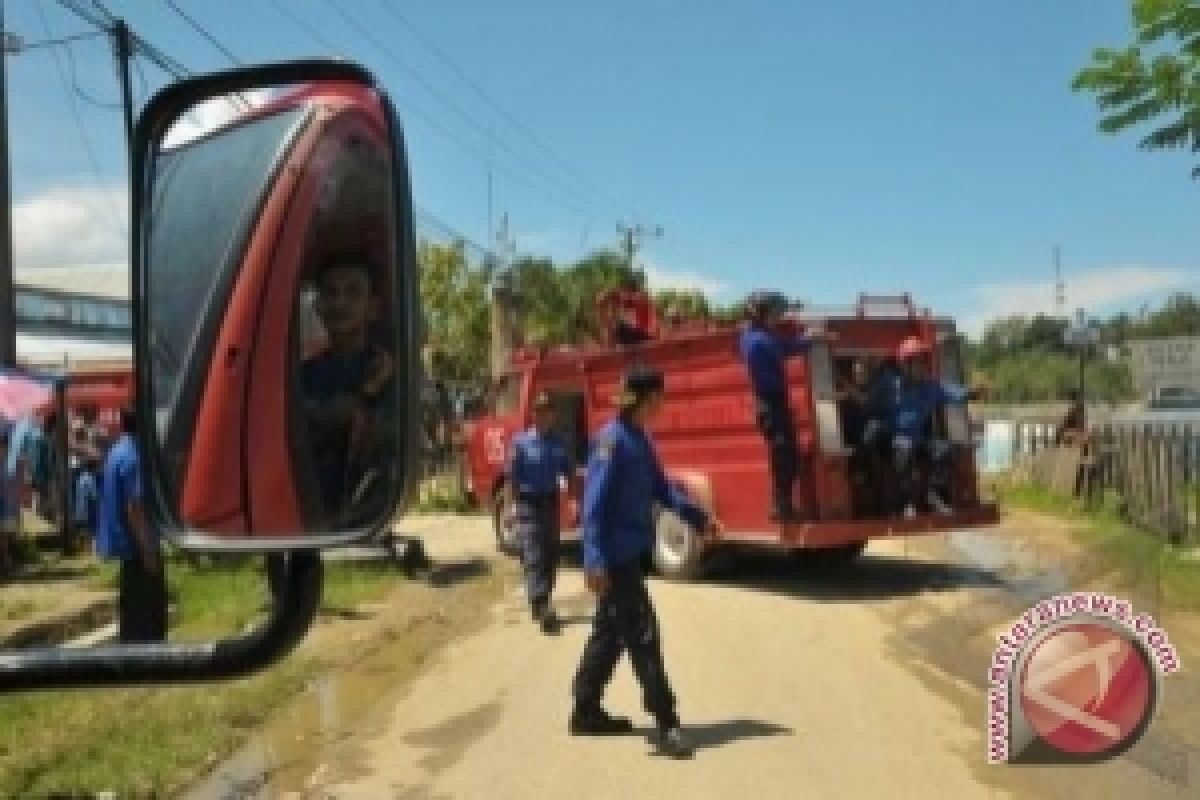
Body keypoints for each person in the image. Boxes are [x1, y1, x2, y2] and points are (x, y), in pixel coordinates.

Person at [570, 365, 720, 759]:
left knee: (610, 632)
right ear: (648, 399)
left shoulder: (640, 439)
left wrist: (699, 518)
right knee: (643, 636)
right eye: (661, 397)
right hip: (615, 560)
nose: (663, 404)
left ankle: (585, 709)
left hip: (629, 556)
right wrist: (594, 560)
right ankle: (667, 722)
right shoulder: (611, 441)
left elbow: (663, 490)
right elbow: (593, 508)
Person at [300, 251, 395, 525]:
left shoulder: (392, 374)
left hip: (368, 513)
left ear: (373, 308)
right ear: (319, 306)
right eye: (331, 293)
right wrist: (369, 391)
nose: (340, 302)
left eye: (353, 292)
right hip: (314, 512)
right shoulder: (303, 375)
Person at [737, 290, 826, 521]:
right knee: (783, 454)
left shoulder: (763, 336)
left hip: (776, 402)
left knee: (789, 454)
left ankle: (783, 504)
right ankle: (780, 506)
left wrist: (808, 340)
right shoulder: (756, 340)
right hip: (770, 403)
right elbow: (784, 348)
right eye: (774, 312)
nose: (778, 317)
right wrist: (808, 338)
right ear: (759, 314)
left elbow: (787, 347)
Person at [887, 336, 983, 518]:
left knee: (945, 449)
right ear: (904, 365)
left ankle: (934, 495)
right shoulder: (890, 386)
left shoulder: (930, 387)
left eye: (922, 360)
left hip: (917, 440)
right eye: (916, 361)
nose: (921, 366)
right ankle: (906, 503)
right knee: (902, 446)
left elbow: (954, 393)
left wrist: (973, 393)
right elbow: (869, 406)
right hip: (890, 439)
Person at [97, 406, 167, 643]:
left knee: (132, 607)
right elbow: (135, 507)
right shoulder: (134, 456)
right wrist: (148, 548)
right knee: (147, 611)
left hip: (125, 547)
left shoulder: (116, 452)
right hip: (137, 546)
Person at [505, 391, 572, 634]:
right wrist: (510, 508)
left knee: (552, 556)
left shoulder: (560, 443)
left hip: (551, 506)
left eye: (547, 411)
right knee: (534, 555)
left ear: (553, 415)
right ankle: (543, 605)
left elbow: (568, 472)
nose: (543, 415)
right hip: (527, 506)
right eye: (539, 411)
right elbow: (511, 478)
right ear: (533, 414)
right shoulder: (520, 443)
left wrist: (574, 499)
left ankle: (539, 600)